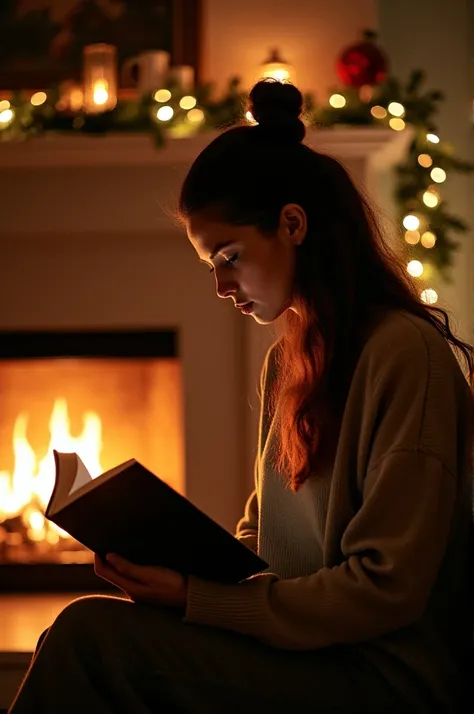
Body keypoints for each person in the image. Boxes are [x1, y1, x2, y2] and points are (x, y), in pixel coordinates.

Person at [9, 79, 473, 714]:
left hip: (383, 679)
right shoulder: (286, 362)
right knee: (95, 630)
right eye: (211, 267)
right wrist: (177, 579)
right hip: (302, 656)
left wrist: (198, 600)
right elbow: (262, 541)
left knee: (91, 638)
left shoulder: (403, 355)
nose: (222, 285)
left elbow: (385, 589)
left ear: (292, 224)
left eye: (229, 256)